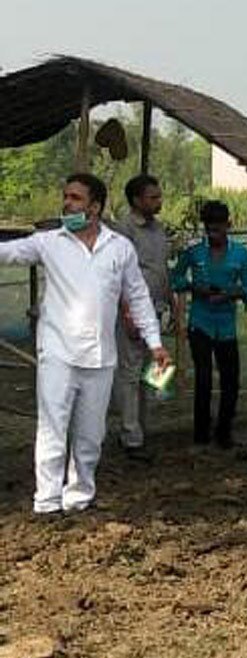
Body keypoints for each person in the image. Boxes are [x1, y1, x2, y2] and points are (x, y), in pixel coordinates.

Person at [0, 174, 170, 514]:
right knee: (52, 428)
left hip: (101, 357)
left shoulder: (119, 248)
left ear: (95, 207)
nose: (67, 203)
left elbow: (137, 297)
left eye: (75, 198)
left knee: (91, 435)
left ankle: (79, 497)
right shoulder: (49, 242)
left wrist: (155, 344)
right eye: (66, 196)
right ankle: (47, 501)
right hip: (58, 354)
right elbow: (6, 253)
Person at [171, 200, 247, 449]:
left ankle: (224, 430)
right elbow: (176, 277)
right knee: (204, 379)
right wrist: (195, 287)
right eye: (209, 230)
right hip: (200, 322)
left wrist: (230, 294)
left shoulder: (241, 253)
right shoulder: (194, 252)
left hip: (227, 325)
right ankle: (200, 432)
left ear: (228, 226)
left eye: (218, 229)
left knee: (231, 380)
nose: (213, 235)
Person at [109, 174, 178, 461]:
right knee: (130, 370)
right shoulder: (124, 231)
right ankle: (130, 434)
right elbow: (120, 275)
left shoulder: (158, 229)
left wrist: (174, 304)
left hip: (157, 306)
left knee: (157, 370)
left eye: (159, 196)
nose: (158, 201)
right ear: (137, 200)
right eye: (153, 197)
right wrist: (126, 312)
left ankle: (144, 425)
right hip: (135, 309)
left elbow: (162, 269)